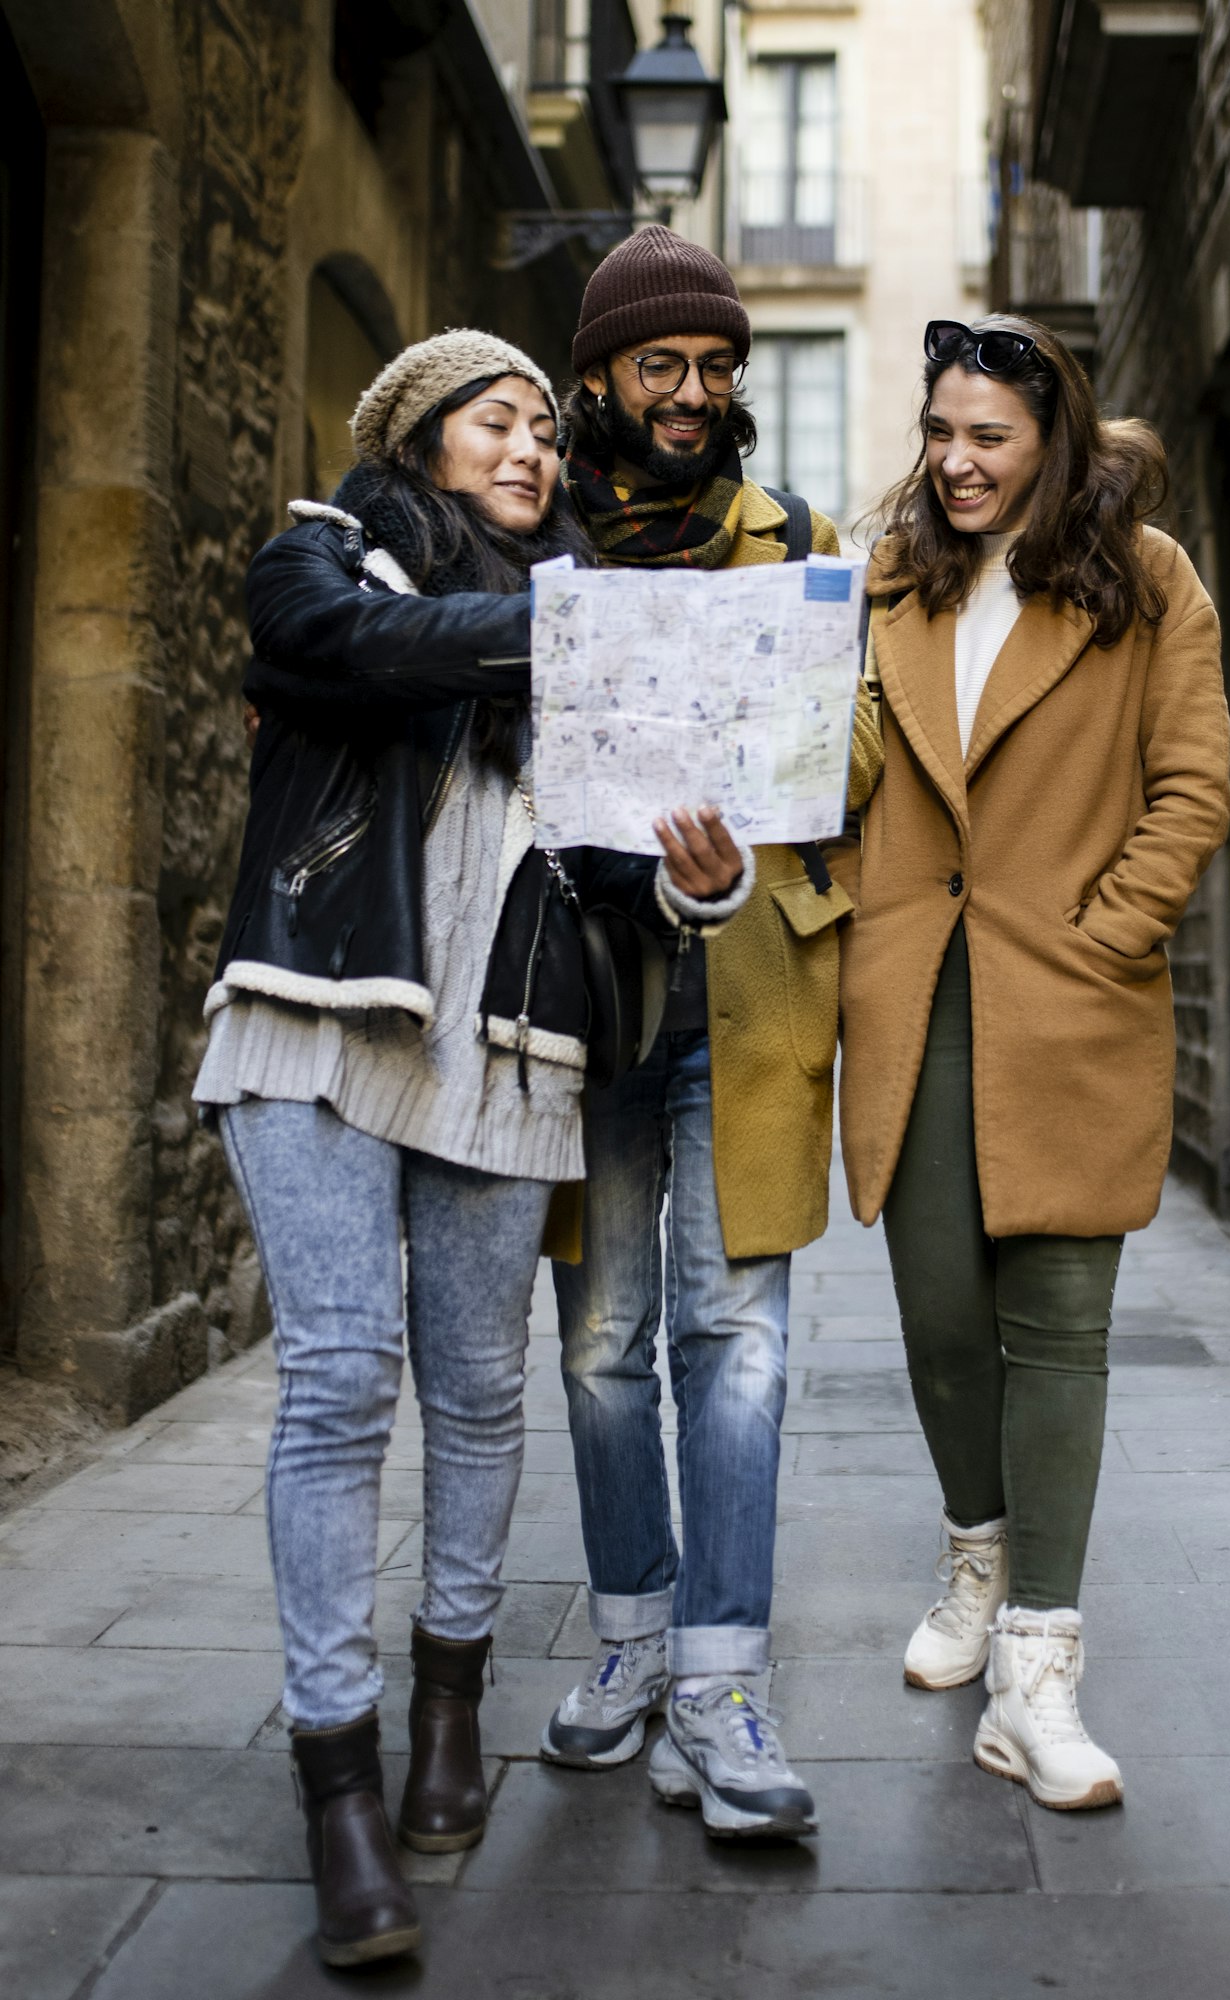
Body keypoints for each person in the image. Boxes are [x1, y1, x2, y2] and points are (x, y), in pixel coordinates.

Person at [194, 329, 748, 1965]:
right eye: (491, 423)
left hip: (505, 1054)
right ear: (423, 437)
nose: (526, 449)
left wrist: (693, 881)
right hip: (315, 1009)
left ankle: (451, 1701)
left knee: (485, 1388)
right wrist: (564, 633)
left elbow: (613, 873)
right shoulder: (332, 550)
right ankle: (337, 1777)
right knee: (342, 1376)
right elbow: (325, 646)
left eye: (536, 432)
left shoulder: (576, 630)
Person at [835, 315, 1230, 1810]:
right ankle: (973, 1566)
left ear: (1050, 441)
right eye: (938, 432)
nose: (952, 462)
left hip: (1068, 1000)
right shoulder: (881, 583)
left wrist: (1104, 936)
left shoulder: (1145, 581)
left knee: (1057, 1324)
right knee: (941, 1321)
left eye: (986, 436)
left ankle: (1038, 1673)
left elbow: (1193, 783)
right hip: (911, 997)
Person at [538, 227, 883, 1842]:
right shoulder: (536, 543)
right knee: (604, 1347)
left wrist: (768, 798)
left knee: (733, 1344)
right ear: (602, 375)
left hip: (747, 991)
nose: (693, 394)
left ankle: (724, 1682)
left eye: (715, 367)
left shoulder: (796, 541)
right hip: (584, 998)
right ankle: (628, 1641)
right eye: (661, 366)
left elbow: (862, 756)